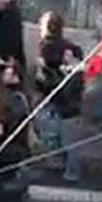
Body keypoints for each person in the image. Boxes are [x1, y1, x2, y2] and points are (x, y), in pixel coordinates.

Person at [34, 12, 84, 182]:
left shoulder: (48, 47)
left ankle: (66, 169)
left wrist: (43, 71)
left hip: (59, 99)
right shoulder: (67, 46)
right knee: (57, 132)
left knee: (61, 135)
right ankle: (58, 163)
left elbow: (49, 77)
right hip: (62, 98)